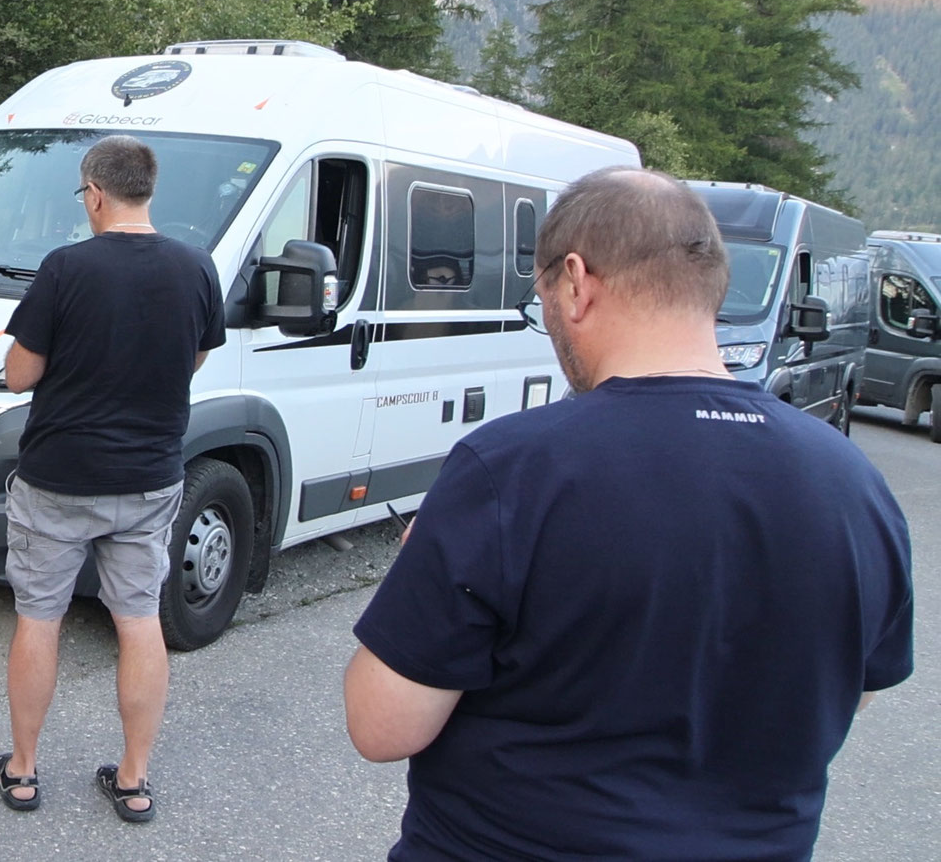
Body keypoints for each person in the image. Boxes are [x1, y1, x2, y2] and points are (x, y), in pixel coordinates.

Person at [343, 167, 914, 860]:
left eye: (544, 294)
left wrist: (416, 567)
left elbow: (382, 724)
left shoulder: (514, 468)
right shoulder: (856, 485)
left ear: (577, 281)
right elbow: (849, 690)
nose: (547, 319)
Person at [0, 134, 225, 823]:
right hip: (149, 477)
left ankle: (25, 771)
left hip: (59, 477)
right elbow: (197, 355)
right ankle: (132, 778)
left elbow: (19, 373)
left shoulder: (66, 267)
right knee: (139, 619)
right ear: (146, 189)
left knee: (40, 617)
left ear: (95, 193)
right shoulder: (196, 268)